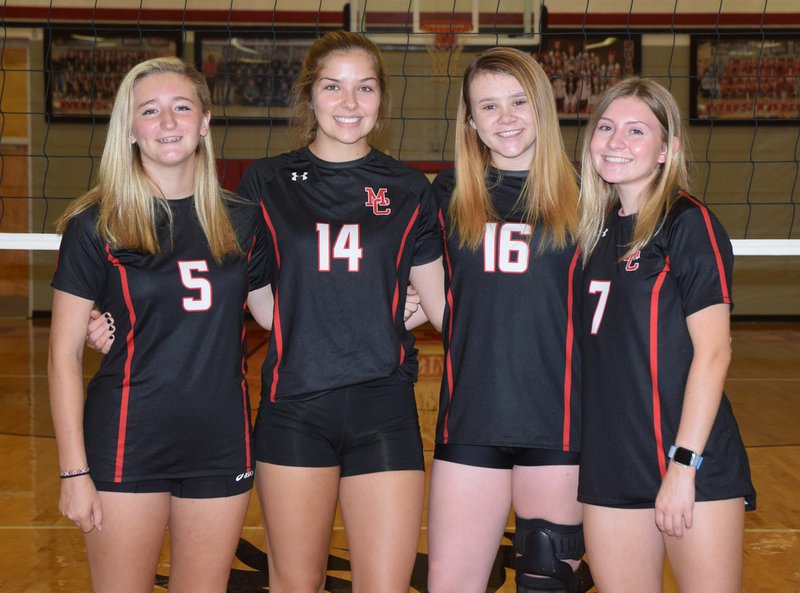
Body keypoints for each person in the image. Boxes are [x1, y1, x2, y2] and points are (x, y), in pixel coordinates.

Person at [49, 56, 273, 593]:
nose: (168, 123)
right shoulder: (95, 225)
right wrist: (73, 472)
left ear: (204, 121)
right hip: (127, 439)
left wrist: (391, 300)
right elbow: (60, 357)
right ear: (129, 128)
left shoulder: (242, 220)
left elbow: (280, 315)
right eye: (149, 111)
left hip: (220, 443)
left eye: (181, 108)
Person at [237, 31, 444, 593]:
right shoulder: (267, 181)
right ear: (310, 97)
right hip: (296, 407)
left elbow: (444, 305)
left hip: (385, 407)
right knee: (294, 583)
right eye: (334, 87)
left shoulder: (407, 189)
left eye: (365, 88)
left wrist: (412, 308)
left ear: (381, 102)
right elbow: (256, 301)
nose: (349, 103)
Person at [417, 47, 590, 593]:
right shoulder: (446, 193)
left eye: (519, 101)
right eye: (488, 106)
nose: (506, 117)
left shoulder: (589, 191)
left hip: (559, 422)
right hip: (472, 418)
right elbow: (431, 292)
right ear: (470, 120)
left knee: (547, 584)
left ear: (543, 106)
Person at [575, 77, 756, 593]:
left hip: (689, 462)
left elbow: (715, 352)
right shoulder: (591, 231)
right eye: (606, 127)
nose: (615, 142)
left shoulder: (688, 224)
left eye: (637, 130)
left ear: (667, 149)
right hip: (611, 466)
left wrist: (683, 467)